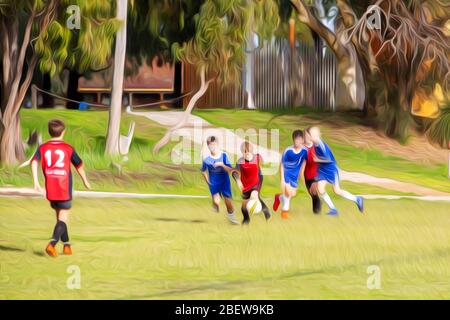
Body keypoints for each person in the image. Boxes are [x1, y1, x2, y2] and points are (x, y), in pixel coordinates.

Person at [31, 119, 91, 257]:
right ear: (63, 132)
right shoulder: (68, 148)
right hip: (64, 188)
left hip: (51, 188)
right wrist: (85, 181)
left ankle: (67, 246)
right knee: (63, 219)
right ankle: (51, 245)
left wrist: (36, 182)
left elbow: (34, 161)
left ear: (49, 132)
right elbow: (79, 165)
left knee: (60, 219)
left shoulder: (43, 148)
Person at [308, 126, 363, 216]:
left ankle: (357, 199)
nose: (312, 136)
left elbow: (328, 159)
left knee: (337, 190)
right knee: (320, 188)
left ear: (319, 135)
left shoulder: (321, 145)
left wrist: (317, 159)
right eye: (311, 134)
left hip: (331, 169)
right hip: (323, 170)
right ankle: (333, 209)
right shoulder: (315, 145)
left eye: (314, 134)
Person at [217, 141, 271, 224]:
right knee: (244, 206)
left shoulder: (257, 157)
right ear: (242, 153)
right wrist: (238, 181)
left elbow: (264, 160)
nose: (247, 154)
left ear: (252, 151)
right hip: (245, 185)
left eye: (249, 151)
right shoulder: (240, 162)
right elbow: (235, 172)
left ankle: (262, 211)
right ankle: (247, 219)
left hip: (256, 181)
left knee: (254, 196)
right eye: (245, 152)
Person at [201, 136, 239, 225]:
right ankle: (215, 204)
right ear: (208, 146)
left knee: (228, 202)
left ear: (217, 145)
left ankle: (232, 219)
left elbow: (230, 170)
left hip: (225, 181)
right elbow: (203, 171)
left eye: (213, 144)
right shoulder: (206, 159)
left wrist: (222, 165)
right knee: (217, 200)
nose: (212, 146)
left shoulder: (223, 156)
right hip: (214, 182)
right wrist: (208, 181)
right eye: (209, 145)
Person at [273, 130, 307, 219]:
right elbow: (282, 165)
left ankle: (279, 197)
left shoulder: (304, 151)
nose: (298, 142)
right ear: (293, 140)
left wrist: (302, 175)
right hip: (286, 174)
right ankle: (284, 214)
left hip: (294, 176)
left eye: (300, 140)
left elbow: (305, 162)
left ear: (303, 140)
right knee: (288, 194)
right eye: (296, 140)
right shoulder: (288, 150)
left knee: (292, 194)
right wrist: (282, 179)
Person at [303, 127, 321, 214]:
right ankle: (316, 211)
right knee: (312, 194)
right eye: (305, 135)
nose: (307, 137)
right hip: (307, 175)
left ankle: (317, 211)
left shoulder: (316, 146)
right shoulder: (302, 147)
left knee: (314, 191)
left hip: (316, 173)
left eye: (308, 135)